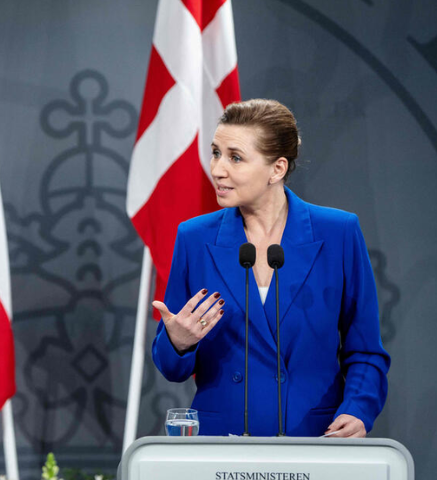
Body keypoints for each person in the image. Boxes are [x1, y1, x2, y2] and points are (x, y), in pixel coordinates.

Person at [151, 99, 389, 437]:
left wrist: (358, 409)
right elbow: (172, 369)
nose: (217, 169)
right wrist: (178, 342)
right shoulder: (194, 237)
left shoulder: (338, 233)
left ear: (277, 169)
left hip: (313, 436)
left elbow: (365, 350)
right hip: (221, 441)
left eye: (235, 157)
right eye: (216, 153)